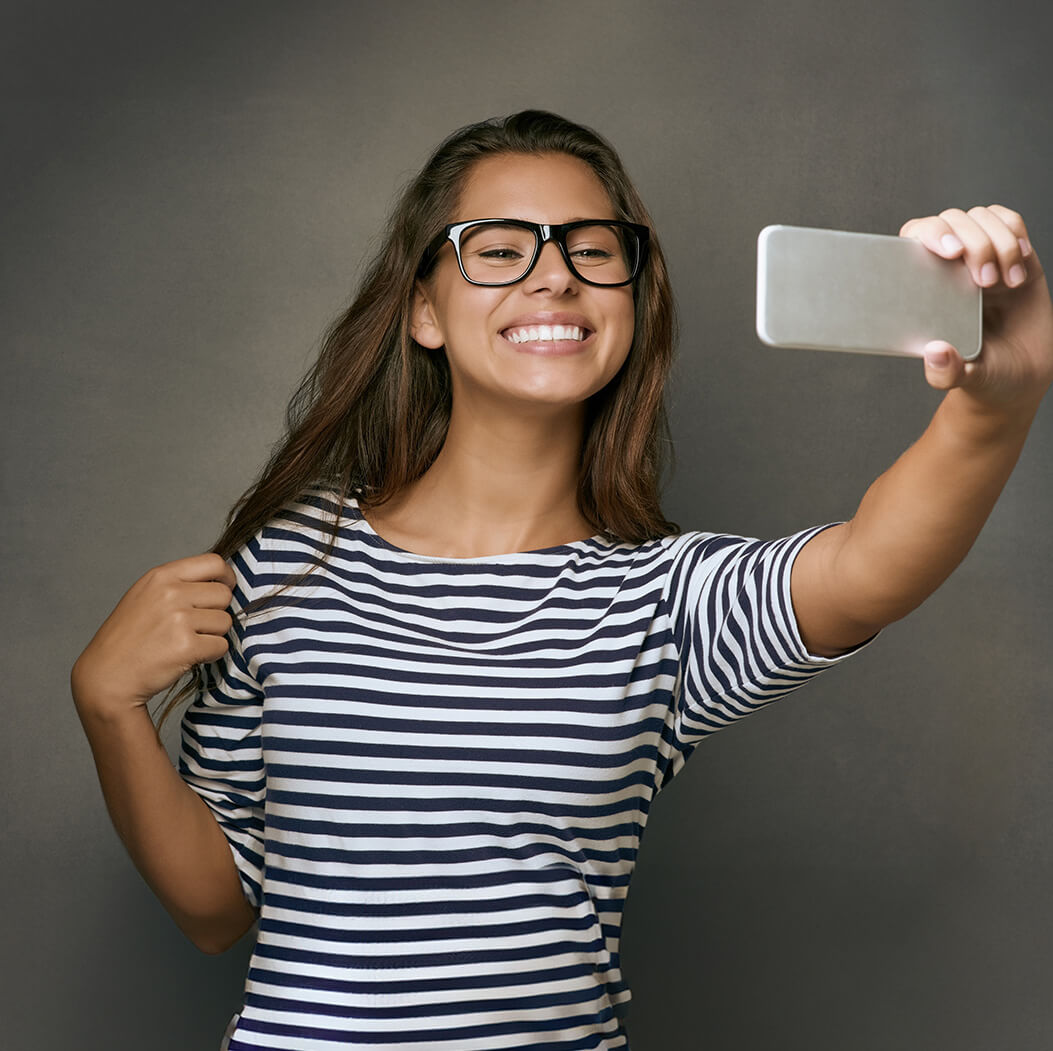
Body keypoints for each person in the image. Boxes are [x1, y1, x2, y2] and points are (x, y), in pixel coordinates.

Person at [71, 110, 1052, 1051]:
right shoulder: (287, 565)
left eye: (592, 249)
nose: (555, 279)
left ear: (633, 296)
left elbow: (871, 566)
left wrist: (995, 407)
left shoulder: (660, 602)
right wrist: (108, 703)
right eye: (500, 250)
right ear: (422, 307)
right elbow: (214, 909)